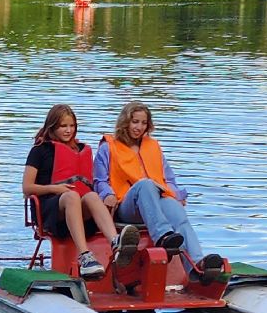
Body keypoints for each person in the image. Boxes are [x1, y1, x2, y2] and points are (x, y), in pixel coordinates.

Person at [94, 101, 226, 283]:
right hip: (126, 206)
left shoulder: (153, 147)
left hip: (156, 202)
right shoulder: (108, 147)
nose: (138, 127)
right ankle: (163, 236)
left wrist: (178, 197)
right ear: (126, 122)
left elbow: (168, 180)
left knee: (177, 212)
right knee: (146, 185)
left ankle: (197, 266)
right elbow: (99, 181)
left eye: (143, 123)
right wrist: (107, 194)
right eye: (135, 122)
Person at [23, 104, 140, 280]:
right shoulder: (39, 151)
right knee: (71, 196)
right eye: (63, 126)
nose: (68, 130)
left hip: (79, 212)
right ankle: (85, 256)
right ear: (52, 126)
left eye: (72, 126)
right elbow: (26, 188)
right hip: (50, 213)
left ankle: (116, 243)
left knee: (92, 196)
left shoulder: (81, 150)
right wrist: (54, 188)